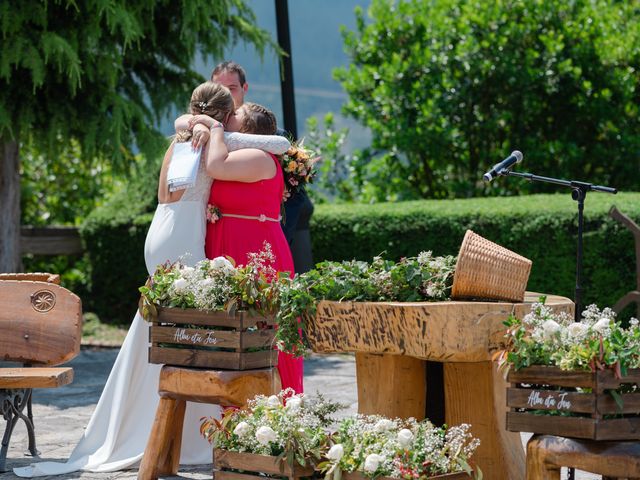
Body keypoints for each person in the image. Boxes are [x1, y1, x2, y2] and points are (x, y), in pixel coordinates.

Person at [13, 82, 291, 477]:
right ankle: (174, 430)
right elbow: (255, 150)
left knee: (163, 327)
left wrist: (193, 122)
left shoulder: (180, 138)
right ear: (225, 117)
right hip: (183, 234)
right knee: (188, 330)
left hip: (165, 225)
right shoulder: (208, 137)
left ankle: (152, 424)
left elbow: (169, 189)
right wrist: (207, 128)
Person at [186, 101, 304, 393]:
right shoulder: (236, 149)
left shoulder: (261, 157)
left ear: (249, 128)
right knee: (231, 336)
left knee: (260, 334)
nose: (228, 117)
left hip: (256, 252)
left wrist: (213, 127)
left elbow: (215, 166)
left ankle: (274, 408)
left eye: (235, 115)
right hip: (229, 245)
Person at [211, 61, 315, 273]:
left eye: (231, 88)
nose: (226, 96)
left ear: (244, 88)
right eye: (219, 89)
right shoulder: (209, 131)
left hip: (263, 234)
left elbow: (295, 196)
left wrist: (274, 229)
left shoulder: (270, 131)